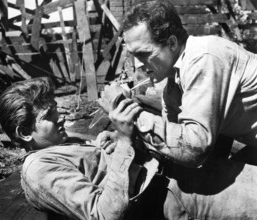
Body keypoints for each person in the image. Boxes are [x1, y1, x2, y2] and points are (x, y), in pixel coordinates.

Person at [106, 0, 257, 168]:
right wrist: (126, 138)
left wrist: (129, 113)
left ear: (171, 43)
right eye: (134, 55)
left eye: (144, 54)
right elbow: (174, 143)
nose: (139, 64)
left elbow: (194, 149)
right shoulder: (173, 86)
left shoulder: (203, 58)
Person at [0, 77, 165, 220]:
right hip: (153, 201)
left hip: (156, 182)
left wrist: (108, 143)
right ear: (25, 132)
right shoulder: (40, 169)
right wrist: (124, 141)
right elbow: (104, 215)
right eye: (48, 116)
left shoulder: (55, 146)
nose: (60, 118)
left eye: (56, 110)